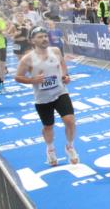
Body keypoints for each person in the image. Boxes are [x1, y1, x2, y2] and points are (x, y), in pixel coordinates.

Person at [15, 27, 78, 166]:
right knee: (48, 126)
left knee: (70, 121)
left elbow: (62, 65)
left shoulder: (55, 51)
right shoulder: (28, 59)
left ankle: (70, 146)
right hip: (42, 98)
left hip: (60, 92)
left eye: (45, 36)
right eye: (40, 37)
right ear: (32, 40)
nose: (44, 39)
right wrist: (32, 80)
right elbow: (18, 77)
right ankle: (50, 149)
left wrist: (65, 76)